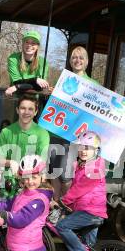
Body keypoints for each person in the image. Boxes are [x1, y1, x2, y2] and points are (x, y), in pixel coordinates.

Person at [50, 46, 99, 200]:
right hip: (55, 131)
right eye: (74, 57)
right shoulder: (63, 79)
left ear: (86, 62)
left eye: (81, 58)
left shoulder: (92, 85)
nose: (77, 61)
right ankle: (55, 206)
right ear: (70, 60)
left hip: (74, 136)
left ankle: (67, 205)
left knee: (65, 175)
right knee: (53, 172)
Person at [54, 131, 107, 251]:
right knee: (87, 248)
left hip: (91, 212)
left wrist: (62, 201)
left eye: (88, 148)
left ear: (96, 150)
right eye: (81, 147)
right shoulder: (81, 166)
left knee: (62, 227)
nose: (83, 150)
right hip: (88, 211)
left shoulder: (95, 169)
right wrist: (68, 205)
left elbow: (78, 190)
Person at [0, 94, 50, 197]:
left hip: (31, 182)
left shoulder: (42, 134)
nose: (26, 112)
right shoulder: (6, 132)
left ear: (35, 112)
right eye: (23, 108)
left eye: (30, 109)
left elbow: (42, 164)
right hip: (8, 183)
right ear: (17, 110)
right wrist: (10, 162)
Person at [5, 30, 49, 97]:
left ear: (37, 46)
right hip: (16, 97)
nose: (29, 45)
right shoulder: (13, 59)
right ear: (23, 44)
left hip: (34, 100)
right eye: (27, 42)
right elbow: (17, 82)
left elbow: (39, 87)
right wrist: (35, 80)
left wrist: (17, 86)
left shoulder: (43, 62)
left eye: (33, 43)